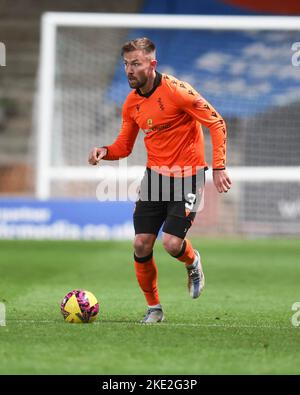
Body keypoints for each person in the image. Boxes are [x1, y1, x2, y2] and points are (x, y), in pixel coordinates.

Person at [88, 37, 232, 324]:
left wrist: (219, 167)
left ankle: (192, 261)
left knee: (171, 243)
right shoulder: (131, 104)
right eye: (126, 64)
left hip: (188, 177)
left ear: (152, 64)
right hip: (155, 178)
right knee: (141, 244)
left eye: (136, 64)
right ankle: (154, 308)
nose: (129, 70)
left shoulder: (178, 92)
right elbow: (124, 147)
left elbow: (216, 122)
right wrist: (105, 151)